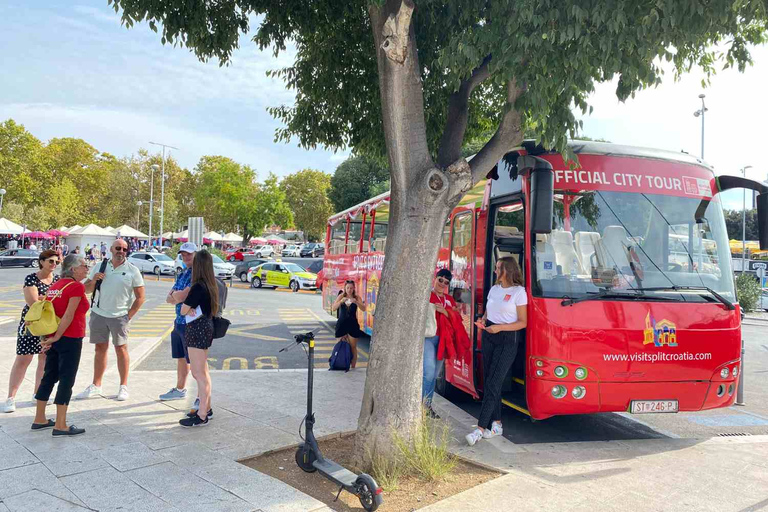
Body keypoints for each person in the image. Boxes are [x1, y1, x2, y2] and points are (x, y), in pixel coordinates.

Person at [466, 257, 527, 446]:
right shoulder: (494, 289)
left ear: (507, 271)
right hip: (489, 335)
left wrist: (500, 328)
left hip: (507, 339)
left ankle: (480, 428)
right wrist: (483, 321)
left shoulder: (519, 292)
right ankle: (497, 424)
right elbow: (488, 311)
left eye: (498, 268)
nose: (495, 270)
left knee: (493, 383)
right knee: (492, 383)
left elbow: (523, 322)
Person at [74, 239, 146, 401]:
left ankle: (123, 386)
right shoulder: (100, 266)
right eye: (118, 248)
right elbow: (85, 289)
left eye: (124, 249)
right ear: (111, 250)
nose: (121, 251)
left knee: (121, 349)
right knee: (100, 349)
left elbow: (140, 297)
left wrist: (128, 316)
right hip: (99, 313)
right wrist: (94, 280)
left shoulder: (132, 270)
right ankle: (96, 385)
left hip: (120, 316)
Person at [32, 254, 90, 436]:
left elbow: (50, 314)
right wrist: (57, 336)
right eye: (84, 265)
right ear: (73, 269)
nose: (87, 269)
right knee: (67, 379)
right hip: (69, 337)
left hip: (54, 337)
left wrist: (50, 337)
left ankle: (39, 418)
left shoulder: (55, 286)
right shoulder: (75, 286)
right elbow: (68, 315)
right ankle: (61, 424)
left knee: (49, 376)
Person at [3, 250, 61, 413]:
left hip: (49, 323)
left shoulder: (57, 279)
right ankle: (10, 398)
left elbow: (57, 300)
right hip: (31, 323)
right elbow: (32, 302)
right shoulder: (31, 278)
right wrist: (48, 298)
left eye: (56, 262)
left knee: (44, 358)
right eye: (50, 261)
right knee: (23, 359)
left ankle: (38, 394)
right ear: (41, 261)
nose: (54, 264)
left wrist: (44, 298)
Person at [178, 249, 219, 427]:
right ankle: (206, 407)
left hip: (196, 330)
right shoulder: (211, 285)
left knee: (198, 374)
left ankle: (202, 414)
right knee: (204, 372)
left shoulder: (198, 286)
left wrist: (186, 306)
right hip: (206, 328)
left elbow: (183, 309)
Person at [159, 242, 196, 403]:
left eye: (189, 254)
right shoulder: (183, 274)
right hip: (179, 322)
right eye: (183, 254)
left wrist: (177, 295)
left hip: (192, 323)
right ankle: (180, 389)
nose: (186, 257)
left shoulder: (197, 275)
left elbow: (178, 297)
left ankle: (201, 396)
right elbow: (169, 298)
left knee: (196, 362)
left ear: (196, 255)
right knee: (181, 357)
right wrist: (177, 295)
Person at [422, 268, 456, 418]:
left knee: (434, 375)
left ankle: (427, 405)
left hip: (443, 340)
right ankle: (422, 406)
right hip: (428, 338)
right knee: (428, 372)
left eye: (446, 282)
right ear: (435, 278)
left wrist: (444, 311)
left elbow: (456, 318)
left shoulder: (449, 299)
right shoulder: (426, 295)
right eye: (440, 280)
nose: (442, 284)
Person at [331, 280, 366, 369]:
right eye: (348, 288)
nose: (349, 290)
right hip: (342, 324)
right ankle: (338, 363)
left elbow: (363, 308)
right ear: (345, 288)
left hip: (353, 324)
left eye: (351, 288)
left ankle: (353, 367)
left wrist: (356, 302)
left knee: (353, 347)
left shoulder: (357, 297)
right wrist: (341, 301)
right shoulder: (341, 296)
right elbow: (333, 308)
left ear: (354, 288)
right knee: (339, 344)